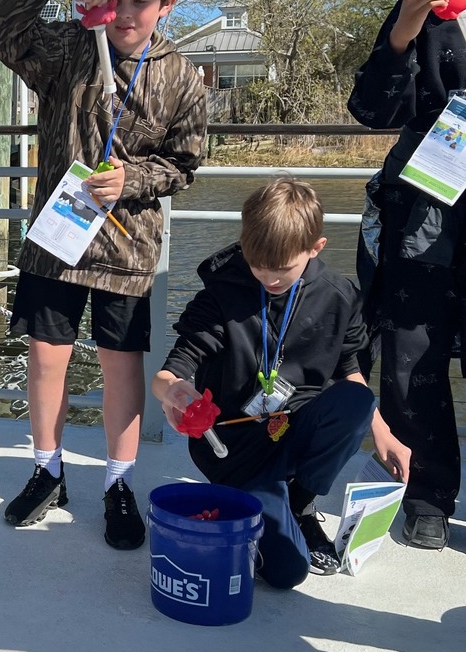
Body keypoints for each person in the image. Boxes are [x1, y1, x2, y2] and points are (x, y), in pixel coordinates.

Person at [0, 0, 206, 549]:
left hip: (128, 251)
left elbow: (185, 163)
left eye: (142, 2)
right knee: (46, 360)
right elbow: (1, 25)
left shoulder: (182, 77)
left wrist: (133, 179)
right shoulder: (64, 49)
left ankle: (119, 482)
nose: (127, 14)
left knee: (121, 368)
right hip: (57, 240)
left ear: (168, 4)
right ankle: (46, 470)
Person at [152, 178, 411, 588]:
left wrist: (384, 432)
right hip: (232, 448)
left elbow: (351, 370)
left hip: (293, 433)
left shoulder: (340, 296)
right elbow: (173, 369)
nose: (269, 279)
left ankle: (301, 503)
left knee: (357, 400)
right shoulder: (223, 293)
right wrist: (173, 392)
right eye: (258, 266)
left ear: (316, 248)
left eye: (283, 270)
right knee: (287, 574)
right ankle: (265, 502)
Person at [346, 0, 466, 551]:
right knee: (413, 344)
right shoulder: (422, 9)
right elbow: (370, 110)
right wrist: (400, 37)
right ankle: (425, 491)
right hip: (427, 202)